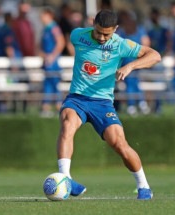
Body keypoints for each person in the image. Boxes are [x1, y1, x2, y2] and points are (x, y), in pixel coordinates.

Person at [55, 10, 161, 199]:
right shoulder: (78, 35)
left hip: (103, 103)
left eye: (107, 34)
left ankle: (144, 186)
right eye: (99, 32)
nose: (103, 38)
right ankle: (65, 179)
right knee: (67, 124)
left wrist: (130, 66)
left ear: (116, 30)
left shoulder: (120, 44)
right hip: (77, 98)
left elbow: (155, 55)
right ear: (92, 23)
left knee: (119, 143)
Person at [116, 10, 151, 116]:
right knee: (130, 82)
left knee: (133, 82)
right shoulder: (121, 32)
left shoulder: (139, 30)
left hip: (136, 62)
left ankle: (137, 104)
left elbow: (146, 43)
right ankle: (137, 104)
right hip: (126, 62)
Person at [39, 7, 65, 117]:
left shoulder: (54, 28)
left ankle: (60, 109)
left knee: (54, 85)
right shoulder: (46, 29)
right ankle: (46, 109)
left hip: (53, 63)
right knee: (47, 85)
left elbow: (61, 42)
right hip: (47, 62)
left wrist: (52, 56)